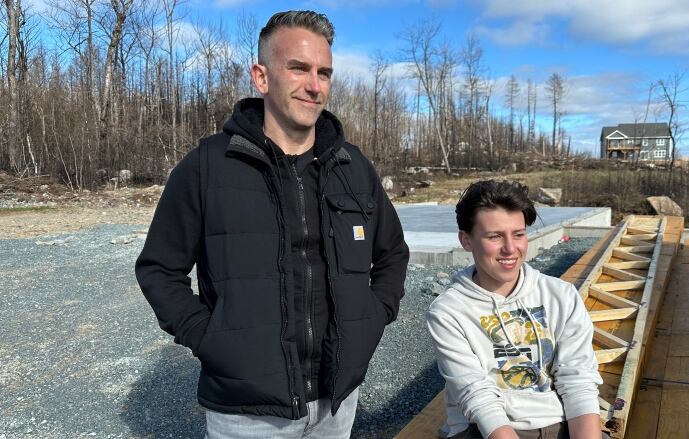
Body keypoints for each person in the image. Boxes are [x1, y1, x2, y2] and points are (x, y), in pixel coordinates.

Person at [135, 10, 409, 438]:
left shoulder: (353, 167)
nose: (315, 85)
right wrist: (212, 339)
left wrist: (374, 316)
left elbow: (391, 252)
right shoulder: (208, 166)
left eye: (324, 72)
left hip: (337, 401)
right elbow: (159, 269)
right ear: (261, 78)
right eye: (298, 68)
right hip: (247, 410)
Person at [426, 180, 604, 439]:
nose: (511, 249)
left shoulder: (561, 295)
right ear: (466, 240)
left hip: (561, 422)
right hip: (486, 429)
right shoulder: (447, 312)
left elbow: (578, 379)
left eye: (518, 234)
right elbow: (477, 397)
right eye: (495, 236)